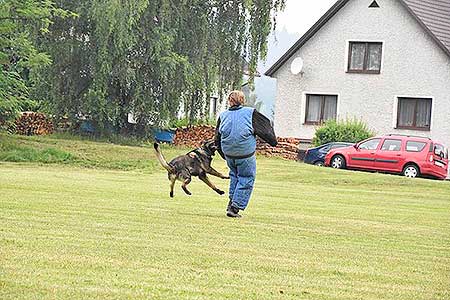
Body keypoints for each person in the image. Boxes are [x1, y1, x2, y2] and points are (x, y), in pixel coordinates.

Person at [215, 90, 277, 218]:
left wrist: (224, 154)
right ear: (242, 101)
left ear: (229, 101)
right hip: (245, 155)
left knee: (235, 177)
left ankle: (231, 202)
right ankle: (235, 207)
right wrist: (273, 142)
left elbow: (217, 138)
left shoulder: (223, 116)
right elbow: (265, 128)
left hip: (229, 155)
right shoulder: (250, 113)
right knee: (246, 178)